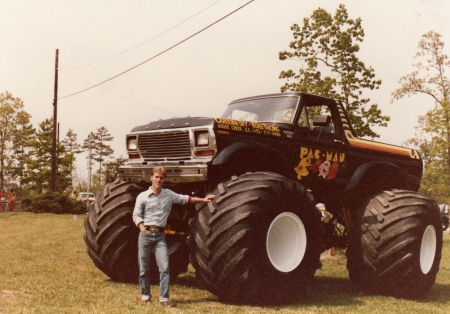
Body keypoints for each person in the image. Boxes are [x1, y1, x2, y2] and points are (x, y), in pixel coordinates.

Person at [132, 166, 215, 308]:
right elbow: (136, 214)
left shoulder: (168, 195)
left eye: (161, 178)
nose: (158, 180)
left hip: (160, 237)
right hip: (145, 235)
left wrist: (203, 199)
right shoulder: (143, 196)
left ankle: (164, 298)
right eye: (156, 177)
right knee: (144, 269)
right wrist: (141, 227)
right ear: (151, 178)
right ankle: (145, 295)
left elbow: (185, 199)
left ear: (164, 180)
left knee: (164, 267)